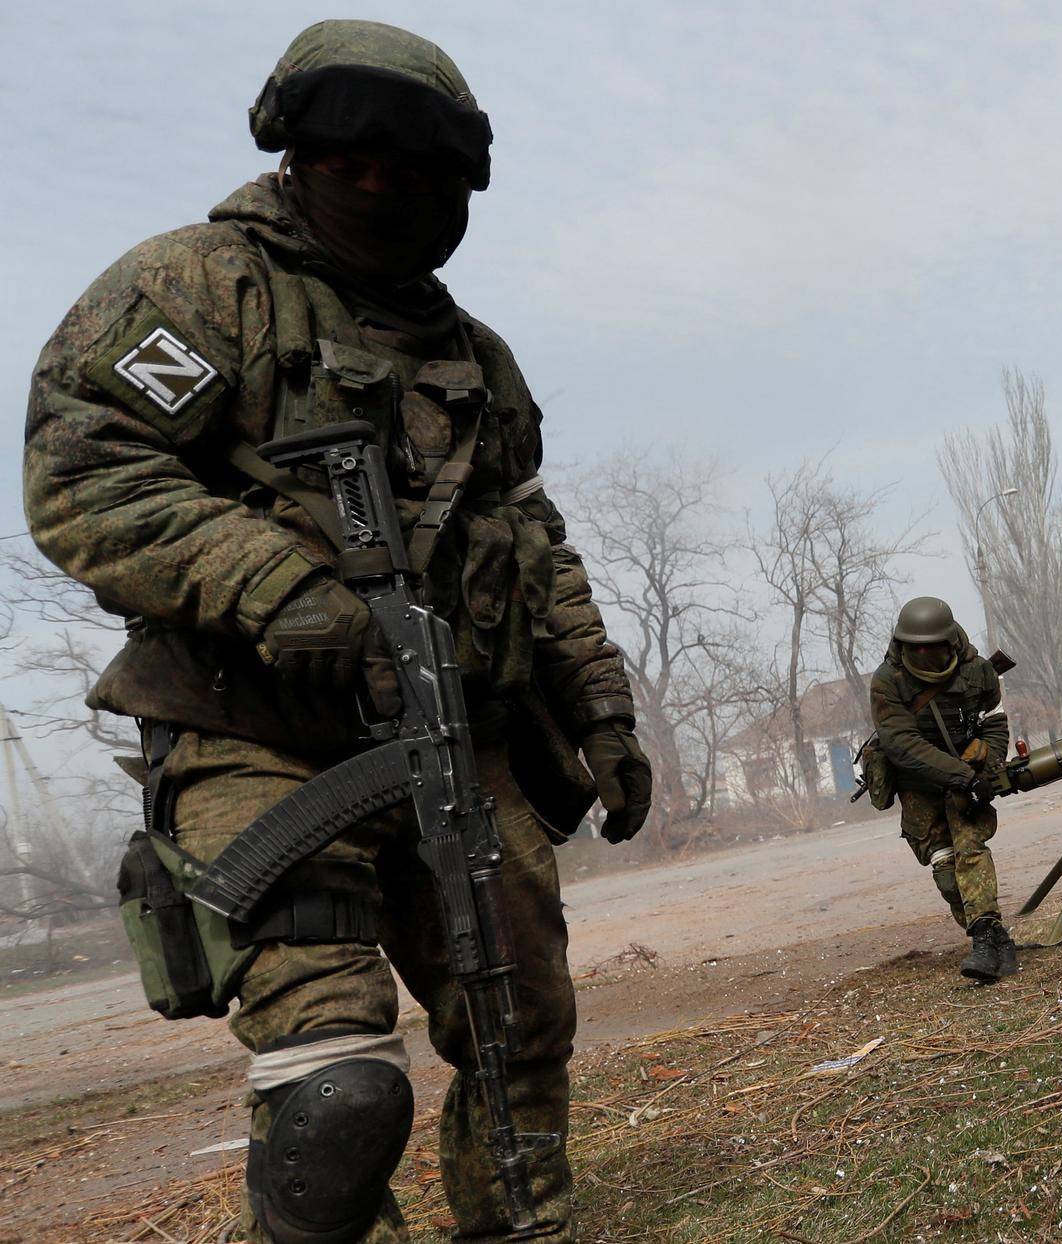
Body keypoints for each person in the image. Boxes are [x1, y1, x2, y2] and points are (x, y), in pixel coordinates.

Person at [24, 20, 651, 1242]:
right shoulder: (201, 286)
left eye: (411, 169)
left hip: (455, 735)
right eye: (348, 161)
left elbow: (535, 547)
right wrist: (283, 589)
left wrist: (601, 709)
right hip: (251, 727)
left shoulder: (478, 359)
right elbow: (83, 472)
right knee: (337, 1086)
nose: (379, 187)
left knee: (521, 1030)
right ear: (295, 156)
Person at [869, 596, 1017, 982]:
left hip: (966, 778)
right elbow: (902, 744)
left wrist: (988, 762)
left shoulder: (978, 672)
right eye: (912, 646)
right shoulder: (888, 682)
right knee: (945, 866)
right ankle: (996, 939)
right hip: (917, 783)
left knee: (971, 849)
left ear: (947, 642)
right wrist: (963, 776)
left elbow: (995, 723)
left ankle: (984, 940)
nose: (920, 653)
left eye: (928, 646)